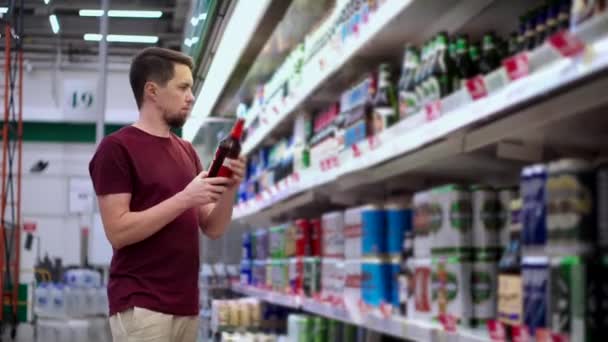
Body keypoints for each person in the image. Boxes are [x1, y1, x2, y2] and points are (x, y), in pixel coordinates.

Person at [89, 47, 245, 342]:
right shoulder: (117, 149)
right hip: (142, 304)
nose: (191, 96)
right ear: (152, 91)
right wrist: (185, 197)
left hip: (186, 305)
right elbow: (118, 231)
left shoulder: (186, 151)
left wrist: (229, 188)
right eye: (183, 87)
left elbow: (212, 227)